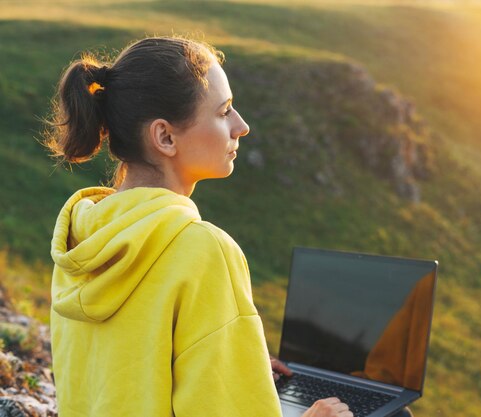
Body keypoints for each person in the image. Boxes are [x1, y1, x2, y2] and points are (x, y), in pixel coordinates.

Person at [44, 35, 353, 417]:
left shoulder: (79, 240)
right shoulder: (203, 249)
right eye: (224, 112)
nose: (242, 126)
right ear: (165, 137)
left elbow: (126, 364)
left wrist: (238, 361)